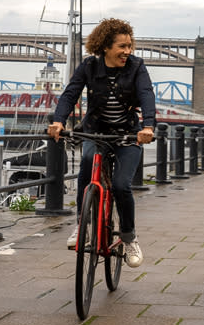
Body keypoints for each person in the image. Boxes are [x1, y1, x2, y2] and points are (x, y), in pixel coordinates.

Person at [48, 18, 156, 268]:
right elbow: (70, 94)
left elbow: (146, 94)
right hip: (96, 132)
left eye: (130, 46)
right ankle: (82, 226)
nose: (127, 52)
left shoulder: (137, 67)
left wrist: (148, 126)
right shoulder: (89, 66)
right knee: (87, 162)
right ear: (105, 46)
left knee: (120, 185)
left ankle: (129, 238)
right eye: (122, 46)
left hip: (128, 135)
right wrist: (58, 121)